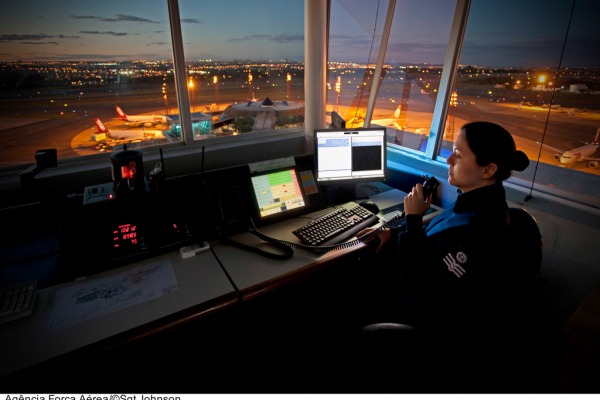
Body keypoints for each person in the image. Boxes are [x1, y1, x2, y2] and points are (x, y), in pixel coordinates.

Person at [355, 121, 531, 391]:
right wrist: (396, 231)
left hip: (440, 334)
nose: (448, 159)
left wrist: (413, 219)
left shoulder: (480, 230)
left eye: (459, 154)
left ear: (488, 169)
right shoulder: (479, 202)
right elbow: (438, 232)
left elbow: (419, 295)